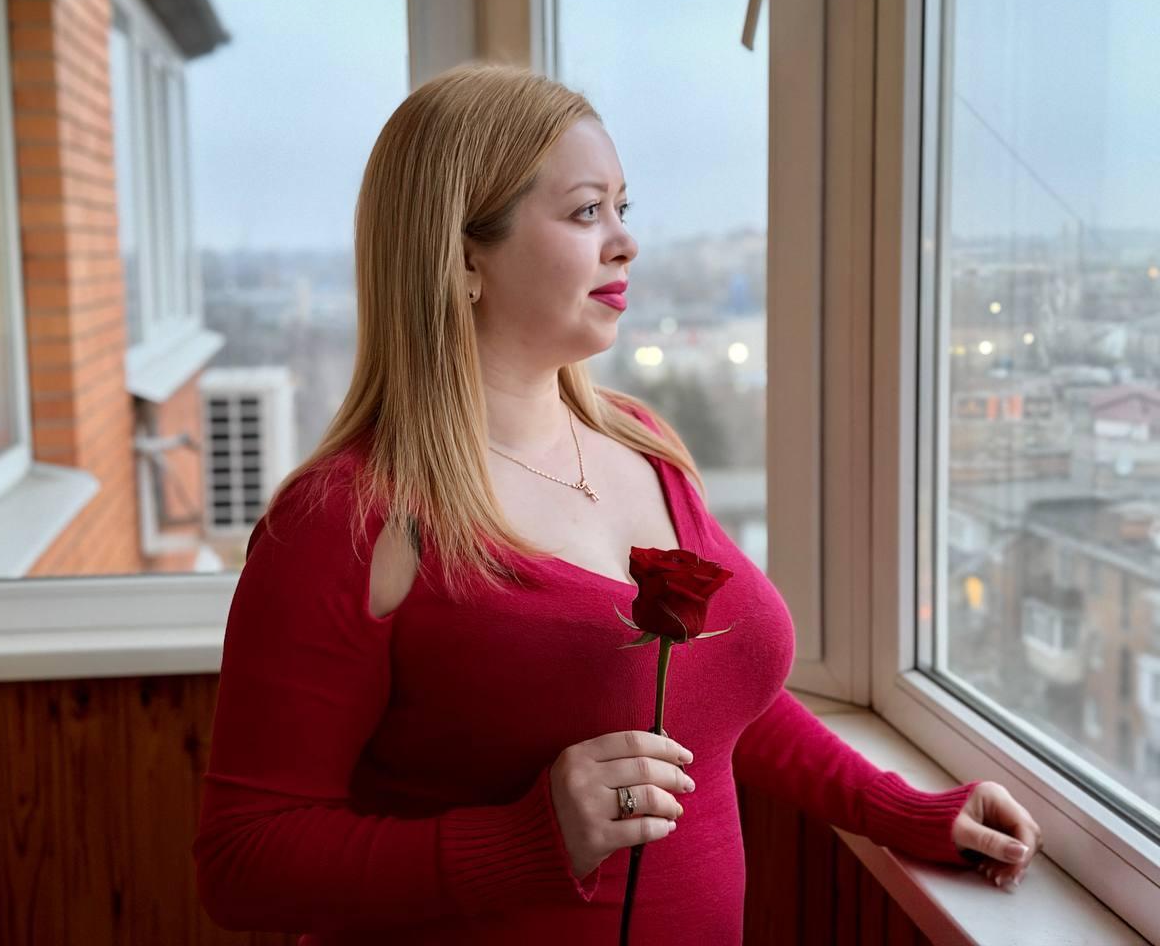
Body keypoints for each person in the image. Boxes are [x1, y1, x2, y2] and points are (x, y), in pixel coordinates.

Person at [192, 62, 1041, 944]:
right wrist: (526, 841)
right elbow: (242, 864)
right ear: (465, 254)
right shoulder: (343, 522)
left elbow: (716, 700)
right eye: (585, 211)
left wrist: (903, 810)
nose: (626, 242)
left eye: (622, 209)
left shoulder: (645, 445)